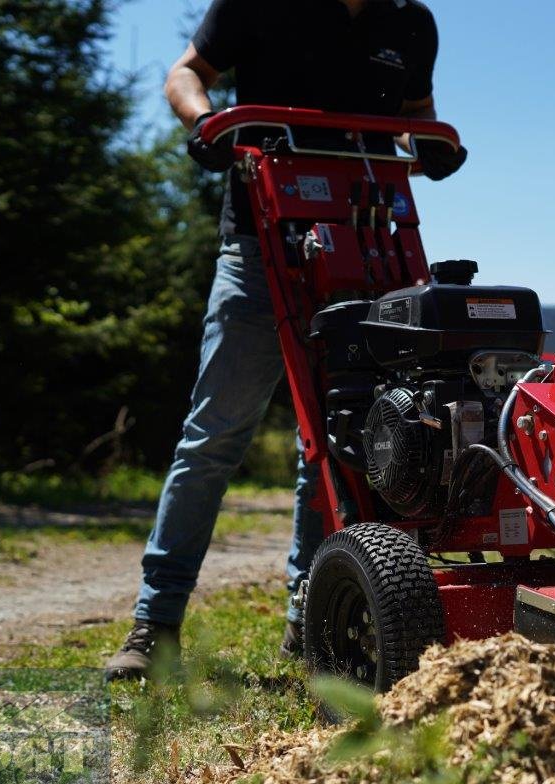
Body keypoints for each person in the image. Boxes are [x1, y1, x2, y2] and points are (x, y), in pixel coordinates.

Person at [105, 0, 466, 680]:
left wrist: (433, 145)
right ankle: (156, 622)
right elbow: (186, 74)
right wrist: (205, 122)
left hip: (365, 244)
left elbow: (417, 122)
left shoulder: (411, 24)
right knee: (215, 432)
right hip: (259, 242)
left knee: (341, 436)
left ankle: (312, 617)